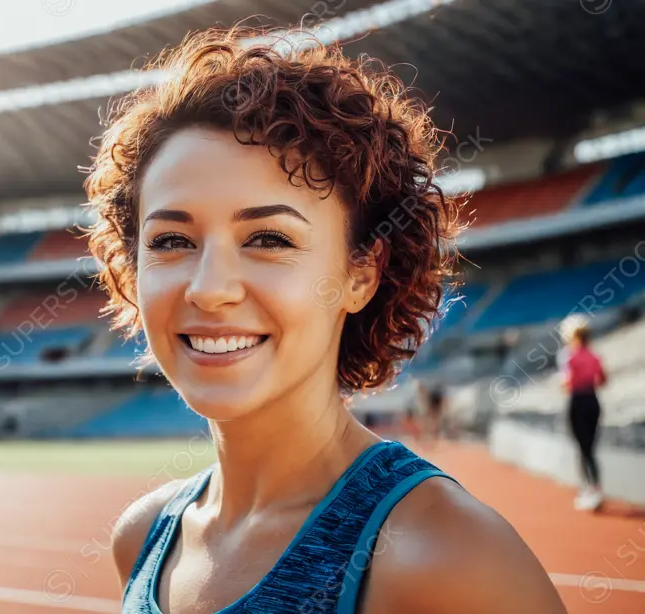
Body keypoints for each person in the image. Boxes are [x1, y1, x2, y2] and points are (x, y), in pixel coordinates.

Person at [83, 26, 566, 613]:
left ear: (361, 274)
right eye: (171, 240)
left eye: (267, 237)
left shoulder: (448, 558)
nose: (209, 288)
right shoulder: (140, 539)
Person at [561, 323, 607, 511]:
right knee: (590, 447)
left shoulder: (570, 357)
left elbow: (568, 383)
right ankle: (595, 487)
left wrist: (564, 383)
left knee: (582, 447)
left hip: (578, 401)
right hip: (593, 400)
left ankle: (588, 489)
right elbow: (603, 380)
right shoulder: (595, 356)